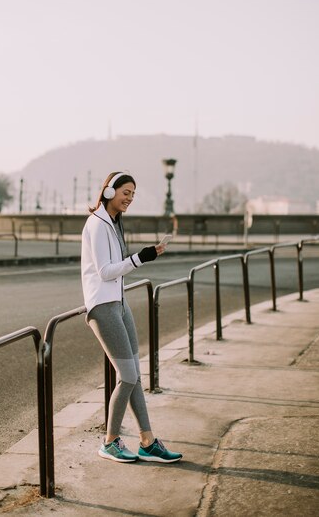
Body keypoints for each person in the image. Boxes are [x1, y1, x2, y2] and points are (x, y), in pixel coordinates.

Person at [81, 171, 183, 464]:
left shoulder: (113, 224)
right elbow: (104, 271)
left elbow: (116, 269)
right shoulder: (97, 225)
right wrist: (142, 257)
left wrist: (145, 255)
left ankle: (148, 442)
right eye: (126, 192)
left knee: (134, 374)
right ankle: (110, 441)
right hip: (102, 306)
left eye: (133, 194)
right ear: (110, 191)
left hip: (119, 304)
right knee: (127, 376)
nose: (129, 198)